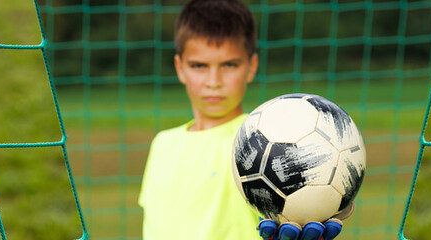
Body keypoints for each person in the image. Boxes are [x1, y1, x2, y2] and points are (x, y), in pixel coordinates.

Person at [138, 0, 349, 239]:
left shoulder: (265, 142)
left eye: (229, 64)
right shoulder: (162, 144)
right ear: (179, 67)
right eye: (199, 65)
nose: (213, 81)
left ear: (251, 66)